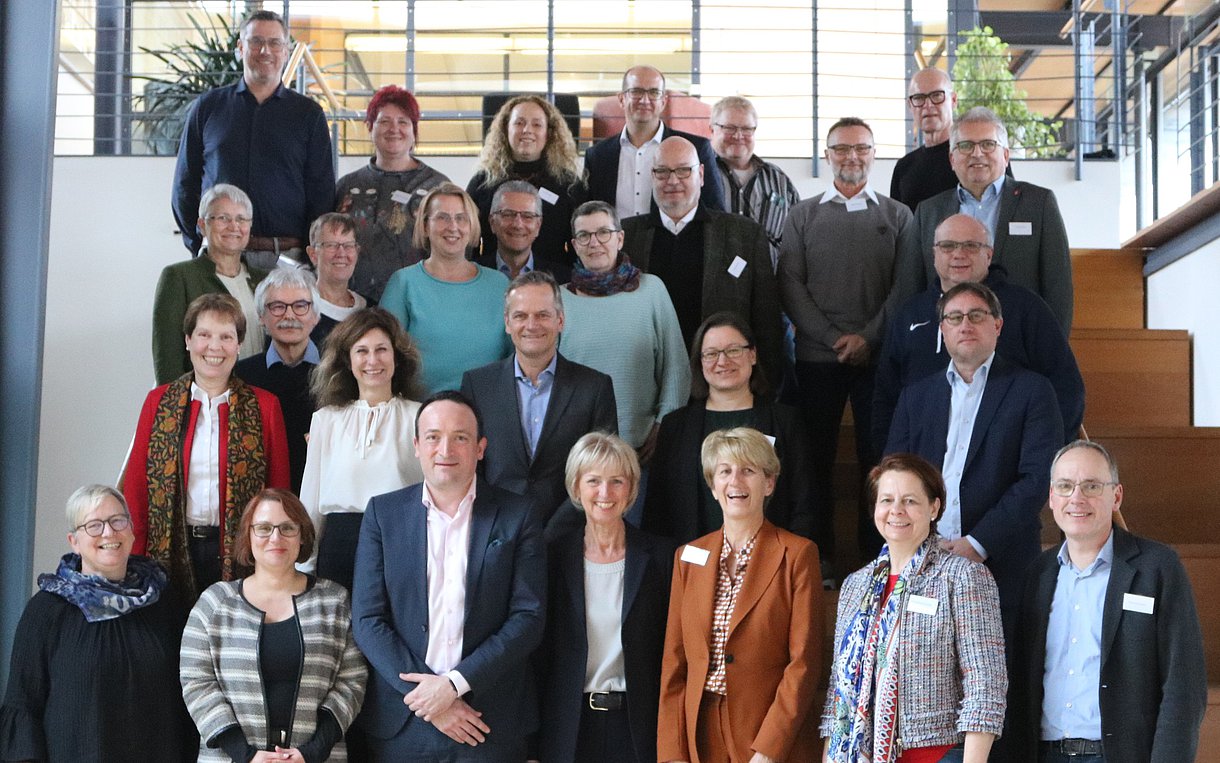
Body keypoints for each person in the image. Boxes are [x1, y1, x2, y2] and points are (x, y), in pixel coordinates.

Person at [351, 391, 546, 760]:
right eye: (433, 436)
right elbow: (367, 619)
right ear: (416, 446)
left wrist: (454, 685)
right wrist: (431, 699)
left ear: (480, 448)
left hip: (487, 722)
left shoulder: (518, 515)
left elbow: (528, 617)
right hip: (405, 722)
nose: (446, 449)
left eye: (460, 437)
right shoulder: (383, 514)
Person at [1012, 440, 1207, 763]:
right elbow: (1021, 684)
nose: (1076, 498)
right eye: (1065, 486)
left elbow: (1183, 685)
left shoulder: (1156, 568)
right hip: (1045, 755)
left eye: (1091, 486)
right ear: (1051, 497)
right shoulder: (1038, 574)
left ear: (1116, 496)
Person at [885, 282, 1063, 633]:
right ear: (942, 331)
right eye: (954, 317)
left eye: (976, 315)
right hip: (923, 559)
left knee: (1000, 679)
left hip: (1002, 560)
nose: (965, 324)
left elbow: (1037, 479)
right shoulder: (915, 397)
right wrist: (919, 540)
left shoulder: (1032, 391)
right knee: (926, 678)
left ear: (997, 325)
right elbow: (894, 475)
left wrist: (979, 543)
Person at [778, 116, 912, 561]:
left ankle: (875, 558)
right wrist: (836, 338)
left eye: (861, 148)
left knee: (878, 464)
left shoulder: (898, 215)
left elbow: (904, 287)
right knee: (814, 463)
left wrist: (868, 339)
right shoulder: (801, 215)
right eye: (841, 148)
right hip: (817, 360)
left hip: (879, 360)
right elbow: (791, 285)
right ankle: (821, 560)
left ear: (874, 155)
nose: (851, 156)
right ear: (827, 154)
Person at [823, 453, 1007, 763]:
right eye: (887, 500)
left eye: (910, 500)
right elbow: (838, 690)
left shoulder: (962, 576)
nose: (896, 510)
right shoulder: (856, 585)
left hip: (938, 755)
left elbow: (985, 684)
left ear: (934, 507)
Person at [658, 427, 822, 763]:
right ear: (713, 485)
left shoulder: (797, 554)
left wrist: (769, 748)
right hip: (700, 735)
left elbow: (803, 663)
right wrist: (673, 751)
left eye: (748, 470)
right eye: (725, 471)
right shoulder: (687, 556)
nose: (736, 481)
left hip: (768, 736)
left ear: (769, 483)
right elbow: (675, 663)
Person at [0, 485, 196, 762]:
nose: (109, 533)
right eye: (94, 525)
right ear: (74, 541)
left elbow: (187, 696)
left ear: (131, 530)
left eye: (118, 521)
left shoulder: (163, 600)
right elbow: (23, 704)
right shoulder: (46, 610)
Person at [125, 292, 291, 601]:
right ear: (188, 340)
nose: (214, 347)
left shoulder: (265, 407)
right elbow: (136, 490)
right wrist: (134, 560)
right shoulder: (158, 403)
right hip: (169, 551)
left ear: (238, 345)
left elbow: (278, 492)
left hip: (242, 554)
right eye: (204, 335)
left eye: (226, 337)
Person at [181, 489, 367, 762]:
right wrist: (245, 754)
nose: (276, 538)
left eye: (287, 528)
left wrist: (313, 751)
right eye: (264, 528)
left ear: (302, 536)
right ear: (248, 536)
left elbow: (353, 680)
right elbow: (196, 681)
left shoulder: (335, 602)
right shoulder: (214, 603)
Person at [873, 213, 1084, 452]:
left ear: (989, 254)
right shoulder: (910, 314)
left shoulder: (1027, 309)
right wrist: (891, 463)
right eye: (947, 246)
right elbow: (886, 395)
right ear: (934, 255)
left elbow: (1066, 388)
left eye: (971, 246)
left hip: (1008, 461)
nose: (958, 254)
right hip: (920, 464)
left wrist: (1047, 454)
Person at [537, 432, 674, 763]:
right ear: (576, 487)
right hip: (569, 730)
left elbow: (674, 652)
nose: (605, 493)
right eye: (593, 480)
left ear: (631, 489)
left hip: (639, 728)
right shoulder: (552, 557)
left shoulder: (661, 556)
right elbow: (539, 656)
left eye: (617, 481)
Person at [172, 9, 333, 267]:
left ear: (286, 50)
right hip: (219, 257)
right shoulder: (208, 107)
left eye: (274, 43)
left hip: (287, 260)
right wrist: (197, 243)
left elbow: (321, 194)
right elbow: (185, 184)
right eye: (255, 41)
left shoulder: (308, 115)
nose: (265, 51)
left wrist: (309, 257)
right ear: (240, 48)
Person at [461, 270, 617, 534]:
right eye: (520, 316)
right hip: (495, 533)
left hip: (570, 535)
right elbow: (469, 467)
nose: (531, 325)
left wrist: (555, 531)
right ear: (507, 323)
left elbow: (601, 471)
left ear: (560, 321)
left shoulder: (595, 388)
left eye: (543, 315)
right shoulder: (478, 386)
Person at [620, 136, 785, 385]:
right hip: (646, 380)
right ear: (652, 176)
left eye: (684, 170)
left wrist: (766, 384)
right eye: (662, 171)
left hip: (722, 382)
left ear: (701, 175)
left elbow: (766, 318)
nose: (672, 180)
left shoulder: (744, 234)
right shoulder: (626, 236)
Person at [558, 201, 690, 508]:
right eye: (584, 236)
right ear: (574, 246)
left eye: (603, 232)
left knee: (631, 544)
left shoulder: (652, 290)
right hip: (576, 453)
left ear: (620, 238)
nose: (595, 243)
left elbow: (676, 366)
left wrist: (663, 425)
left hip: (639, 449)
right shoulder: (558, 299)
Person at [893, 106, 1073, 332]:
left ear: (1005, 155)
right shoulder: (928, 212)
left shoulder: (1038, 204)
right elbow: (911, 289)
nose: (977, 154)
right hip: (947, 344)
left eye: (988, 144)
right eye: (966, 145)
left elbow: (1059, 288)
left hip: (1019, 341)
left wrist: (1053, 351)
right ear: (952, 159)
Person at [645, 311, 815, 546]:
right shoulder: (675, 427)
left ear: (752, 355)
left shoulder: (785, 421)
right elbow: (657, 509)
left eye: (733, 350)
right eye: (711, 354)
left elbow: (803, 502)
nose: (722, 361)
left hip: (770, 560)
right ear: (699, 362)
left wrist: (791, 559)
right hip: (693, 564)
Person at [299, 307, 424, 592]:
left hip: (399, 543)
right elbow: (310, 502)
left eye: (382, 349)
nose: (372, 360)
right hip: (340, 545)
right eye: (362, 351)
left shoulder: (420, 417)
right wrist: (304, 567)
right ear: (347, 359)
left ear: (396, 356)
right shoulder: (325, 420)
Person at [380, 183, 512, 394]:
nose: (453, 226)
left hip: (487, 412)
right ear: (424, 226)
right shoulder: (403, 283)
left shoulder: (499, 284)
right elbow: (382, 355)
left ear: (472, 226)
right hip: (421, 413)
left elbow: (516, 355)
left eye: (461, 218)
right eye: (442, 217)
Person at [336, 84, 450, 304]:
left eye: (403, 122)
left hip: (420, 303)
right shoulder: (347, 186)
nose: (393, 129)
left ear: (414, 131)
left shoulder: (438, 187)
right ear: (370, 127)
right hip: (354, 304)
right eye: (384, 121)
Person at [153, 183, 268, 383]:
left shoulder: (265, 280)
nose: (234, 226)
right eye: (223, 218)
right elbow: (168, 357)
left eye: (241, 219)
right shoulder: (179, 277)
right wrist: (176, 406)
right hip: (201, 400)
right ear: (202, 225)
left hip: (257, 395)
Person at [585, 65, 727, 219]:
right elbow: (588, 214)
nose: (645, 100)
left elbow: (715, 213)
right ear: (622, 99)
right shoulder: (598, 156)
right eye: (636, 91)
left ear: (664, 101)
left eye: (654, 92)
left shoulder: (696, 148)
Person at [467, 95, 587, 268]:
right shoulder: (482, 183)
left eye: (537, 124)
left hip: (553, 282)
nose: (527, 130)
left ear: (549, 133)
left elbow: (582, 241)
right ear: (506, 129)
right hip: (492, 279)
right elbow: (469, 242)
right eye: (519, 123)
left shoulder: (569, 185)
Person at [235, 268, 322, 493]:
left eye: (301, 306)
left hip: (322, 493)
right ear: (262, 317)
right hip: (262, 496)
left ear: (316, 316)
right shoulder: (241, 376)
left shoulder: (337, 373)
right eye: (277, 307)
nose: (289, 316)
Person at [709, 95, 800, 269]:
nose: (738, 135)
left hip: (770, 286)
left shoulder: (778, 180)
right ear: (712, 130)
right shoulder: (699, 175)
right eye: (729, 128)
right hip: (716, 286)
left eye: (746, 129)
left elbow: (798, 236)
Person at [475, 180, 572, 283]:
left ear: (538, 226)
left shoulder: (563, 280)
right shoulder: (472, 274)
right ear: (492, 222)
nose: (518, 225)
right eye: (508, 214)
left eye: (527, 216)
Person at [305, 212, 367, 345]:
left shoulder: (369, 309)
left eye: (348, 246)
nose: (341, 253)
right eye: (331, 245)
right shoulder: (298, 309)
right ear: (313, 254)